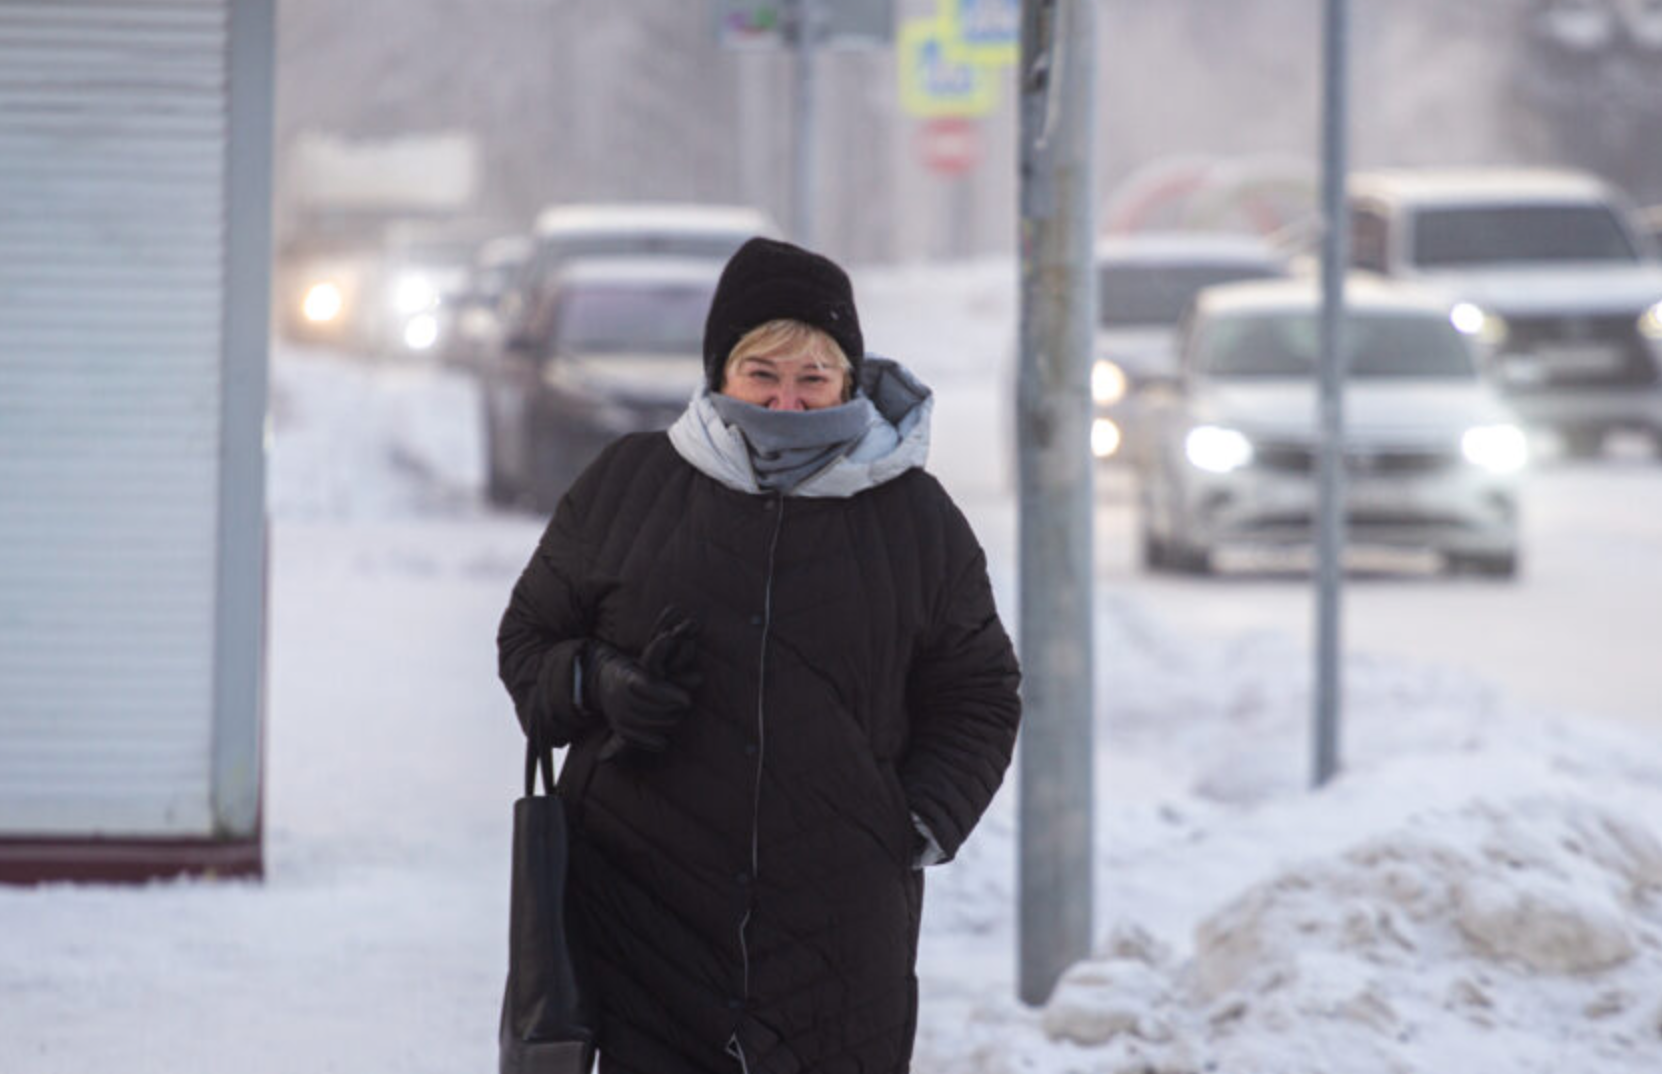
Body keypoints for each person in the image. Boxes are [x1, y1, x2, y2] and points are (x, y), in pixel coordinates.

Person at [497, 236, 1021, 1074]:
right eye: (763, 374)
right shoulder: (630, 484)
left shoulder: (915, 518)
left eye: (813, 378)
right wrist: (600, 683)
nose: (788, 402)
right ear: (720, 375)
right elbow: (528, 641)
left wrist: (913, 824)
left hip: (838, 938)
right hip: (639, 916)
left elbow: (980, 691)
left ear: (848, 379)